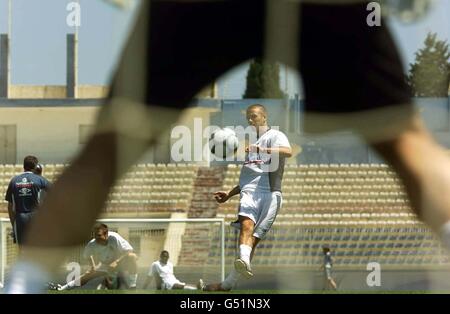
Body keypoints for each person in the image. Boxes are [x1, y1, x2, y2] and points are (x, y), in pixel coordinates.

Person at [7, 0, 450, 293]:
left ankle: (21, 285)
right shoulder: (251, 143)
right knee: (411, 148)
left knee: (101, 156)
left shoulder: (271, 140)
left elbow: (283, 154)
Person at [203, 103, 292, 291]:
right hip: (249, 193)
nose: (251, 120)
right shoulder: (253, 144)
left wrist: (262, 150)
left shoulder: (275, 135)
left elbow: (287, 152)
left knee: (252, 241)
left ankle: (227, 284)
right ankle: (242, 262)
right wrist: (229, 193)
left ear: (264, 117)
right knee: (246, 226)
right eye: (249, 118)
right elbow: (248, 180)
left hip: (270, 193)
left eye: (254, 116)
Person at [49, 223, 138, 291]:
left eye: (99, 235)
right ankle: (62, 288)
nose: (96, 238)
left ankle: (132, 285)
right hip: (105, 264)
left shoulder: (115, 237)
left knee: (132, 256)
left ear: (106, 234)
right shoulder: (92, 244)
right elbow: (88, 255)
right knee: (87, 276)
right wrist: (92, 266)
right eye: (95, 235)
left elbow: (129, 250)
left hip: (120, 263)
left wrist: (116, 262)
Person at [4, 156, 50, 247]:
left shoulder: (13, 181)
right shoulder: (40, 180)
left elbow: (10, 206)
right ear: (36, 166)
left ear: (23, 166)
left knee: (22, 251)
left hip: (20, 219)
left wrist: (14, 224)